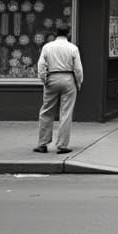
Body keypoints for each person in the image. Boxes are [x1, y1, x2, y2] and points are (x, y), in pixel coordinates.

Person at [33, 23, 83, 155]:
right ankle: (62, 145)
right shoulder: (73, 48)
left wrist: (44, 79)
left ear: (55, 33)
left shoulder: (47, 47)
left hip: (52, 77)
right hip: (68, 78)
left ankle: (43, 144)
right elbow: (78, 69)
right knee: (66, 113)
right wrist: (79, 83)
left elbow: (41, 65)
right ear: (68, 34)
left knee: (46, 111)